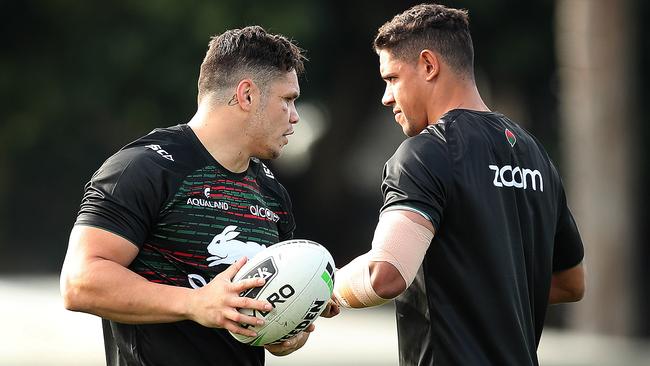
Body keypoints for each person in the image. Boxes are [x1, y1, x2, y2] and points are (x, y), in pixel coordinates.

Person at [332, 4, 586, 365]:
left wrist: (329, 288)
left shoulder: (424, 155)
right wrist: (487, 283)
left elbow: (385, 276)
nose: (386, 97)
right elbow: (571, 282)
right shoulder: (536, 156)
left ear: (428, 65)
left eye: (392, 79)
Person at [60, 26, 312, 365]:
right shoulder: (144, 167)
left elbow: (255, 315)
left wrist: (284, 328)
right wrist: (196, 303)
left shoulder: (271, 192)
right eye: (288, 100)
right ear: (247, 95)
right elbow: (80, 282)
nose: (295, 117)